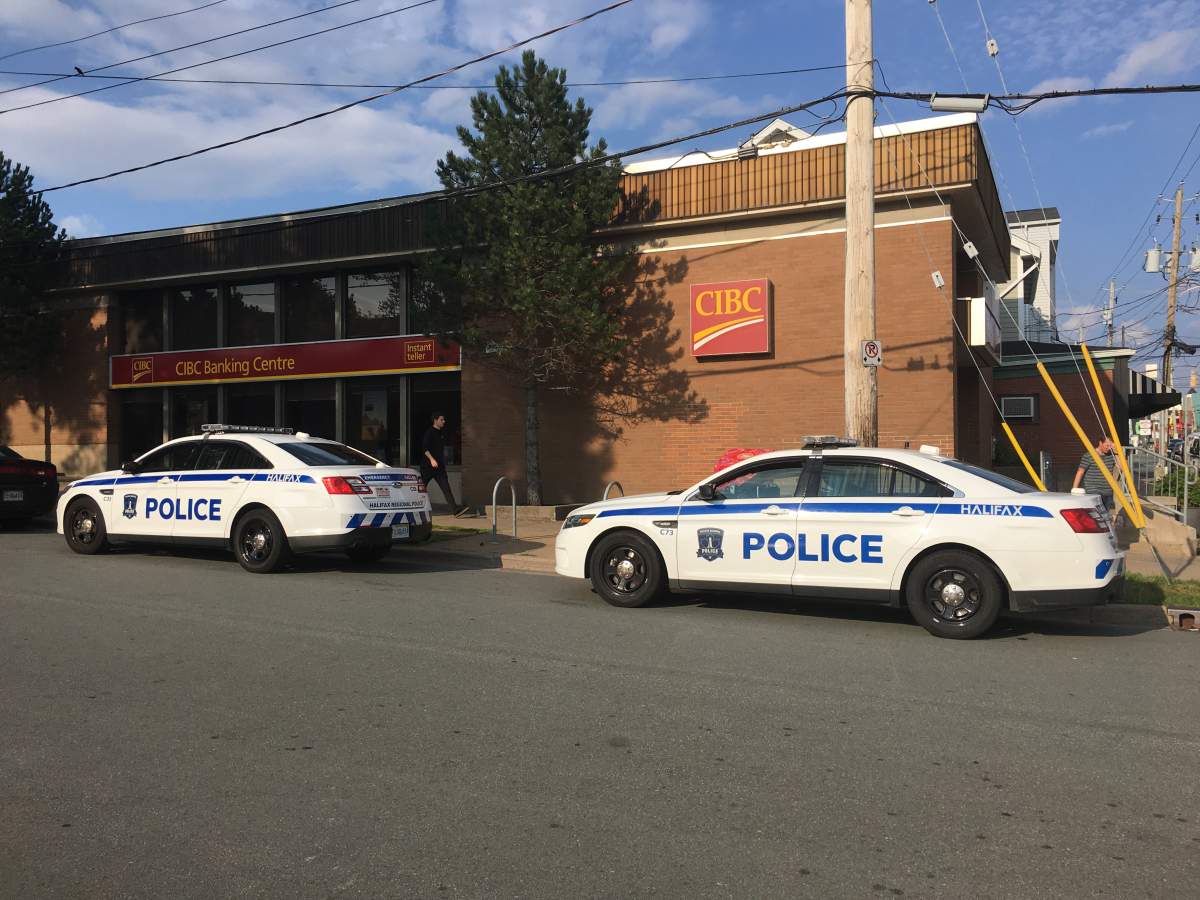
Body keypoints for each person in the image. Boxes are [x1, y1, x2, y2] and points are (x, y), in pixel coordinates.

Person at [421, 411, 470, 517]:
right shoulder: (429, 432)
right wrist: (432, 460)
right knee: (421, 489)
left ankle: (455, 511)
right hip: (428, 468)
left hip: (439, 469)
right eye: (441, 420)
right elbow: (425, 449)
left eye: (444, 419)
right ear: (435, 420)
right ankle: (415, 509)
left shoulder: (441, 433)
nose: (444, 421)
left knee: (446, 488)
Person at [1073, 436, 1117, 512]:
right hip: (1093, 491)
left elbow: (1121, 468)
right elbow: (1080, 472)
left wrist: (1116, 452)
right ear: (1100, 443)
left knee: (1106, 517)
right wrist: (1074, 489)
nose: (1108, 448)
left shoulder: (1111, 456)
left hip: (1107, 492)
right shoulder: (1089, 455)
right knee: (1095, 516)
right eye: (1107, 445)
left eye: (1110, 446)